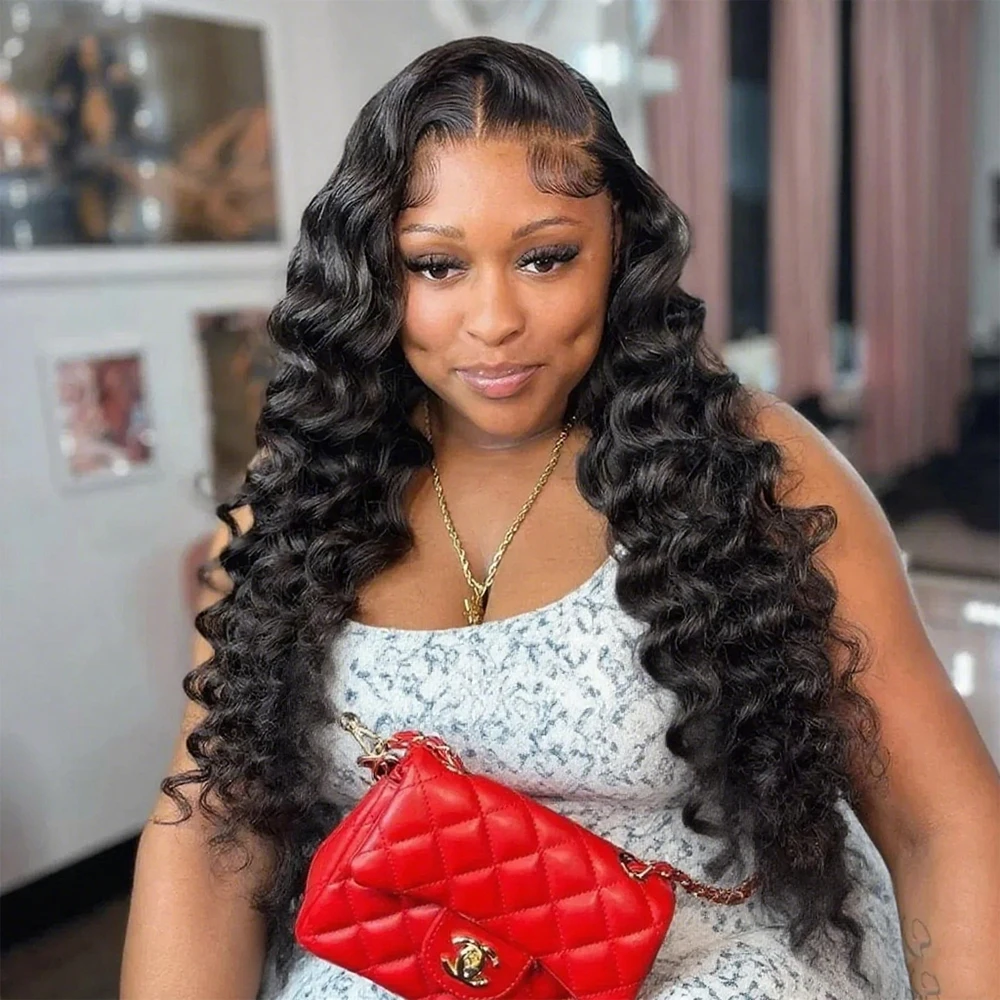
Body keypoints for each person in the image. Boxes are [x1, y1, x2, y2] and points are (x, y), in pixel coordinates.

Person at [120, 37, 999, 1000]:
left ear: (619, 245)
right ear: (371, 271)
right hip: (402, 961)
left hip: (701, 966)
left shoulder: (753, 468)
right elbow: (213, 835)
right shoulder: (295, 498)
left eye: (546, 257)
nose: (496, 320)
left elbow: (940, 823)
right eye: (436, 266)